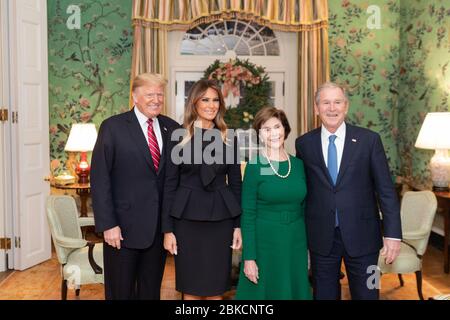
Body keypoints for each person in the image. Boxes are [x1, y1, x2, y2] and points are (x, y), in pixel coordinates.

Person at [295, 82, 402, 300]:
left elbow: (386, 191)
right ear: (316, 108)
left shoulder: (369, 140)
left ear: (346, 106)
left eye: (337, 102)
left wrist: (392, 234)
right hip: (321, 239)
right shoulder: (304, 144)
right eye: (325, 102)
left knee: (369, 294)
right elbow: (302, 191)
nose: (332, 108)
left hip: (365, 239)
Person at [90, 73, 180, 299]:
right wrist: (108, 224)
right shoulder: (112, 127)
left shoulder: (172, 128)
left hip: (157, 232)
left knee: (150, 293)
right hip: (121, 231)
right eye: (150, 94)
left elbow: (175, 179)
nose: (156, 99)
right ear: (134, 96)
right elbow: (100, 179)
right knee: (121, 293)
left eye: (160, 94)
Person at [162, 79, 242, 300]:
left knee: (216, 289)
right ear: (194, 102)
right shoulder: (178, 136)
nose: (211, 105)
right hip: (186, 220)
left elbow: (236, 184)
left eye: (215, 100)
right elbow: (170, 185)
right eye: (205, 99)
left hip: (221, 220)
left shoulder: (229, 137)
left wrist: (238, 226)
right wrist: (167, 230)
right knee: (191, 289)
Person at [235, 107, 312, 300]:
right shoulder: (256, 167)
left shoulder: (299, 165)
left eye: (277, 127)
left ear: (285, 129)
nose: (273, 133)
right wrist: (249, 258)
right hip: (264, 244)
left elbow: (305, 208)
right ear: (259, 135)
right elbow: (248, 214)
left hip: (296, 241)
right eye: (266, 129)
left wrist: (309, 249)